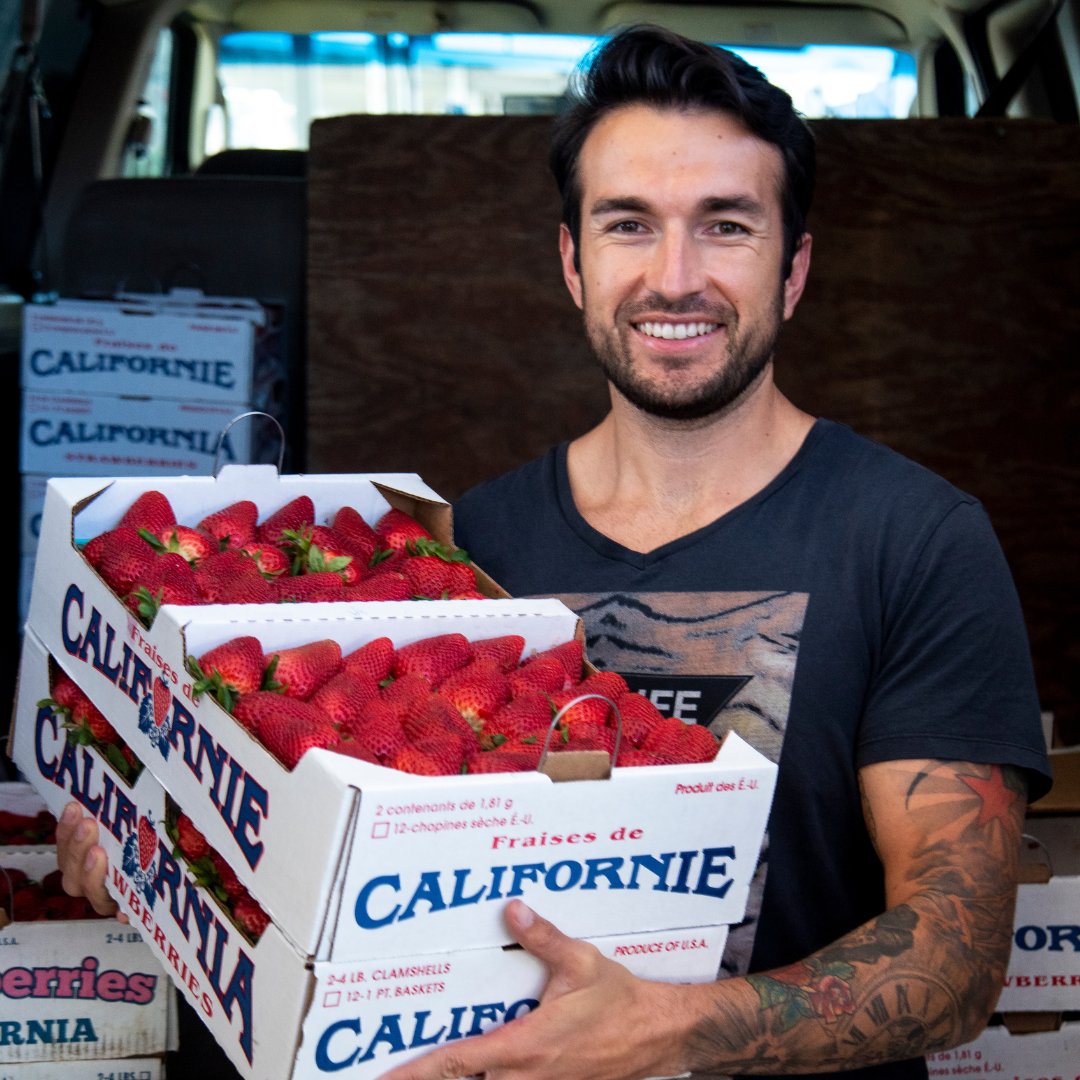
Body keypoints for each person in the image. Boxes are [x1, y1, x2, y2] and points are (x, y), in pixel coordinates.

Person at [57, 24, 1050, 1080]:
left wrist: (671, 1028)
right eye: (629, 225)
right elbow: (343, 873)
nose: (675, 277)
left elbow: (955, 961)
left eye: (726, 226)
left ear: (793, 270)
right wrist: (167, 860)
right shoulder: (466, 549)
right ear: (574, 262)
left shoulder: (915, 541)